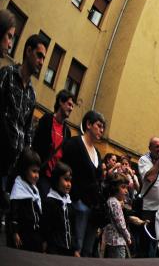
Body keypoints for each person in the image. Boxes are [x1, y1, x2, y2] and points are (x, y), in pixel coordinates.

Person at [1, 35, 46, 191]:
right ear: (28, 51)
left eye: (44, 58)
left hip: (14, 170)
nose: (42, 62)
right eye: (39, 55)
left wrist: (27, 161)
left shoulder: (32, 94)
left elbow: (27, 131)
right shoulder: (8, 74)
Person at [60, 110, 104, 257]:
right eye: (99, 125)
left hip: (92, 209)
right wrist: (74, 196)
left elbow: (98, 179)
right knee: (75, 248)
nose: (102, 130)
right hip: (77, 204)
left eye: (103, 127)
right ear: (88, 124)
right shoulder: (74, 144)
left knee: (87, 251)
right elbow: (64, 171)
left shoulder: (97, 153)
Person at [32, 90, 74, 196]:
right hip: (41, 173)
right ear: (60, 101)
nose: (71, 108)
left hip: (55, 179)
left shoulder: (67, 131)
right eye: (69, 104)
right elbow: (36, 145)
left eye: (72, 106)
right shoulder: (47, 120)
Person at [8, 149, 43, 252]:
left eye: (38, 172)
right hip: (23, 236)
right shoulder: (18, 188)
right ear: (24, 170)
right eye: (33, 171)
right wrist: (15, 232)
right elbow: (13, 214)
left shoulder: (34, 189)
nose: (37, 175)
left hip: (34, 235)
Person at [41, 162, 76, 256]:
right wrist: (45, 243)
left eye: (70, 181)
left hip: (69, 249)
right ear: (56, 179)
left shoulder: (69, 202)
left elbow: (72, 226)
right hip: (55, 249)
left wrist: (75, 248)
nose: (69, 184)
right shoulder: (50, 202)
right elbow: (46, 226)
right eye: (66, 180)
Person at [102, 173, 132, 258]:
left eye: (126, 187)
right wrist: (128, 236)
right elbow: (121, 224)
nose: (126, 191)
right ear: (114, 188)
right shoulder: (115, 202)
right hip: (117, 242)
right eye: (123, 187)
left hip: (111, 241)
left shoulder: (110, 201)